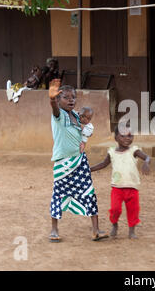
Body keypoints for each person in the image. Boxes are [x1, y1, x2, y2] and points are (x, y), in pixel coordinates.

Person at [48, 79, 108, 242]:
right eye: (66, 97)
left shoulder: (76, 115)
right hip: (63, 163)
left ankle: (96, 230)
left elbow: (87, 128)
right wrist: (52, 99)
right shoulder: (58, 116)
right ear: (59, 100)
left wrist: (87, 134)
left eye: (73, 97)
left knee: (89, 192)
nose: (71, 100)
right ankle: (54, 230)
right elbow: (54, 110)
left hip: (80, 162)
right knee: (58, 194)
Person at [90, 123, 151, 239]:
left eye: (130, 135)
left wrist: (146, 163)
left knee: (133, 210)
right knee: (115, 209)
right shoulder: (112, 152)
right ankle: (114, 224)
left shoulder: (134, 150)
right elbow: (103, 164)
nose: (127, 138)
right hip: (117, 188)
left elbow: (147, 157)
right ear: (116, 137)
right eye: (123, 136)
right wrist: (90, 169)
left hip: (132, 187)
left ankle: (132, 230)